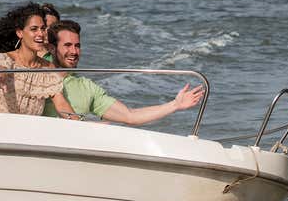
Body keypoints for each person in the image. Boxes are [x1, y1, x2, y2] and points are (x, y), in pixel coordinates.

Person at [41, 20, 204, 123]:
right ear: (52, 48)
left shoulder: (86, 87)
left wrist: (175, 105)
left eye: (77, 46)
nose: (74, 51)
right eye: (67, 45)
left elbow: (129, 116)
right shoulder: (36, 74)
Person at [0, 3, 76, 118]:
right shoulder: (5, 59)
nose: (41, 34)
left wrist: (80, 123)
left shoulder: (48, 68)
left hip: (32, 127)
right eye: (34, 29)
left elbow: (61, 104)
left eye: (43, 29)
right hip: (2, 123)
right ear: (20, 33)